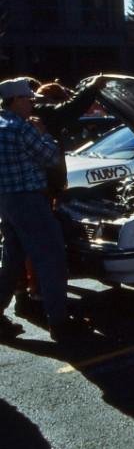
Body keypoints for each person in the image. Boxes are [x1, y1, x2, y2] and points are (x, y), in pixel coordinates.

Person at [0, 78, 77, 341]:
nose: (32, 104)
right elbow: (51, 159)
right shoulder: (23, 128)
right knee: (52, 258)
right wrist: (45, 134)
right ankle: (59, 322)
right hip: (31, 199)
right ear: (15, 101)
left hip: (6, 200)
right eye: (28, 99)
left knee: (11, 261)